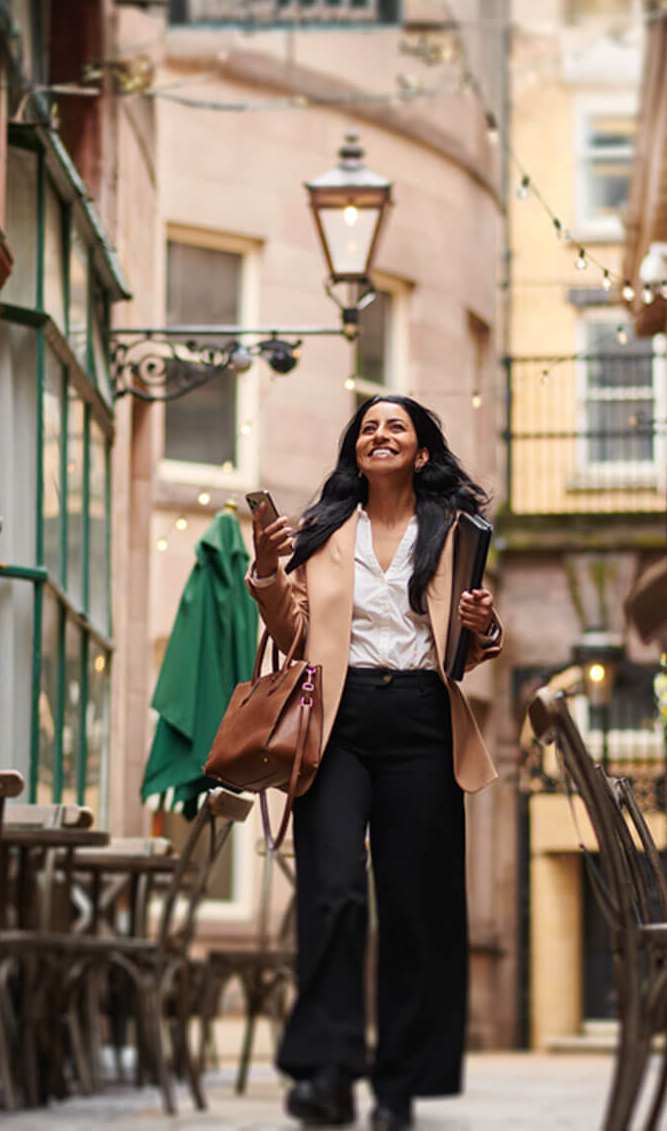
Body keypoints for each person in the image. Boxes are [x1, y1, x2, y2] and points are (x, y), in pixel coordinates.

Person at [247, 395, 502, 1131]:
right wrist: (268, 571)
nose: (379, 434)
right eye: (367, 427)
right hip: (338, 720)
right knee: (332, 892)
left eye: (396, 426)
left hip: (423, 720)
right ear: (355, 450)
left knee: (415, 903)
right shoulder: (325, 531)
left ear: (421, 451)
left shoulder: (455, 531)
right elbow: (293, 632)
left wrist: (485, 628)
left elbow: (472, 640)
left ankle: (399, 1084)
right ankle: (327, 1073)